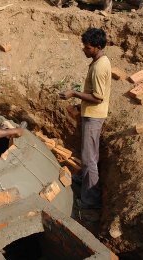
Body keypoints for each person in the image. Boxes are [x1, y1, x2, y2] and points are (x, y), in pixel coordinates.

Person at [59, 28, 111, 209]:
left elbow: (98, 97)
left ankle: (90, 201)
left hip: (94, 117)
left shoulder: (99, 67)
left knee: (89, 159)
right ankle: (83, 180)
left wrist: (73, 93)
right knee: (89, 153)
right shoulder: (99, 61)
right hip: (91, 113)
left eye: (87, 47)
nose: (84, 50)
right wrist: (79, 107)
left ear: (97, 47)